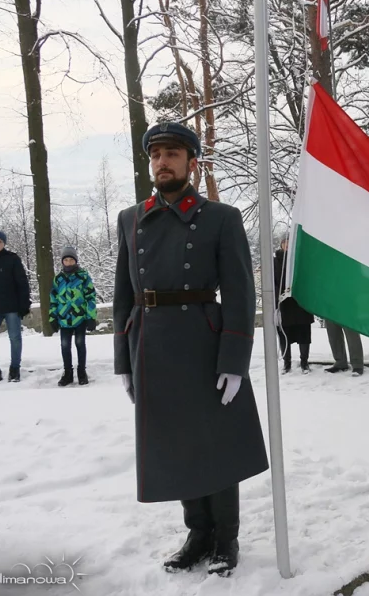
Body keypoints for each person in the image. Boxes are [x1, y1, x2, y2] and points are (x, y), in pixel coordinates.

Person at [113, 122, 269, 577]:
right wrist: (124, 359)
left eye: (173, 154)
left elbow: (240, 293)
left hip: (204, 343)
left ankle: (225, 537)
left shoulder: (221, 218)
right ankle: (197, 533)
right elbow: (124, 295)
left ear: (192, 163)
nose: (162, 162)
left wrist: (234, 360)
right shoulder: (130, 218)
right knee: (175, 444)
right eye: (156, 155)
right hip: (151, 345)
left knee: (214, 444)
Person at [47, 246, 97, 386]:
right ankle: (67, 372)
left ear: (75, 261)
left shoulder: (83, 276)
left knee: (80, 343)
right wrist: (53, 318)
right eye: (66, 260)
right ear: (62, 262)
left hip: (79, 317)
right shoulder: (58, 279)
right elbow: (53, 300)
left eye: (71, 260)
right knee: (64, 345)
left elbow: (90, 297)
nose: (68, 262)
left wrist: (91, 316)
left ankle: (82, 371)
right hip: (64, 319)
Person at [0, 230, 31, 383]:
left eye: (0, 242)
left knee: (15, 338)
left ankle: (14, 368)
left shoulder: (12, 259)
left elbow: (22, 283)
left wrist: (24, 304)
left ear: (4, 244)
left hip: (12, 306)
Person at [273, 235, 314, 374]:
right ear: (281, 245)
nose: (288, 245)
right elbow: (271, 282)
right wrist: (279, 294)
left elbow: (308, 279)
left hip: (300, 303)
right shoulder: (274, 262)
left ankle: (304, 363)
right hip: (283, 304)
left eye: (291, 243)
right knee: (284, 335)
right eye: (285, 243)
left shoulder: (301, 260)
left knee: (304, 334)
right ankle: (287, 363)